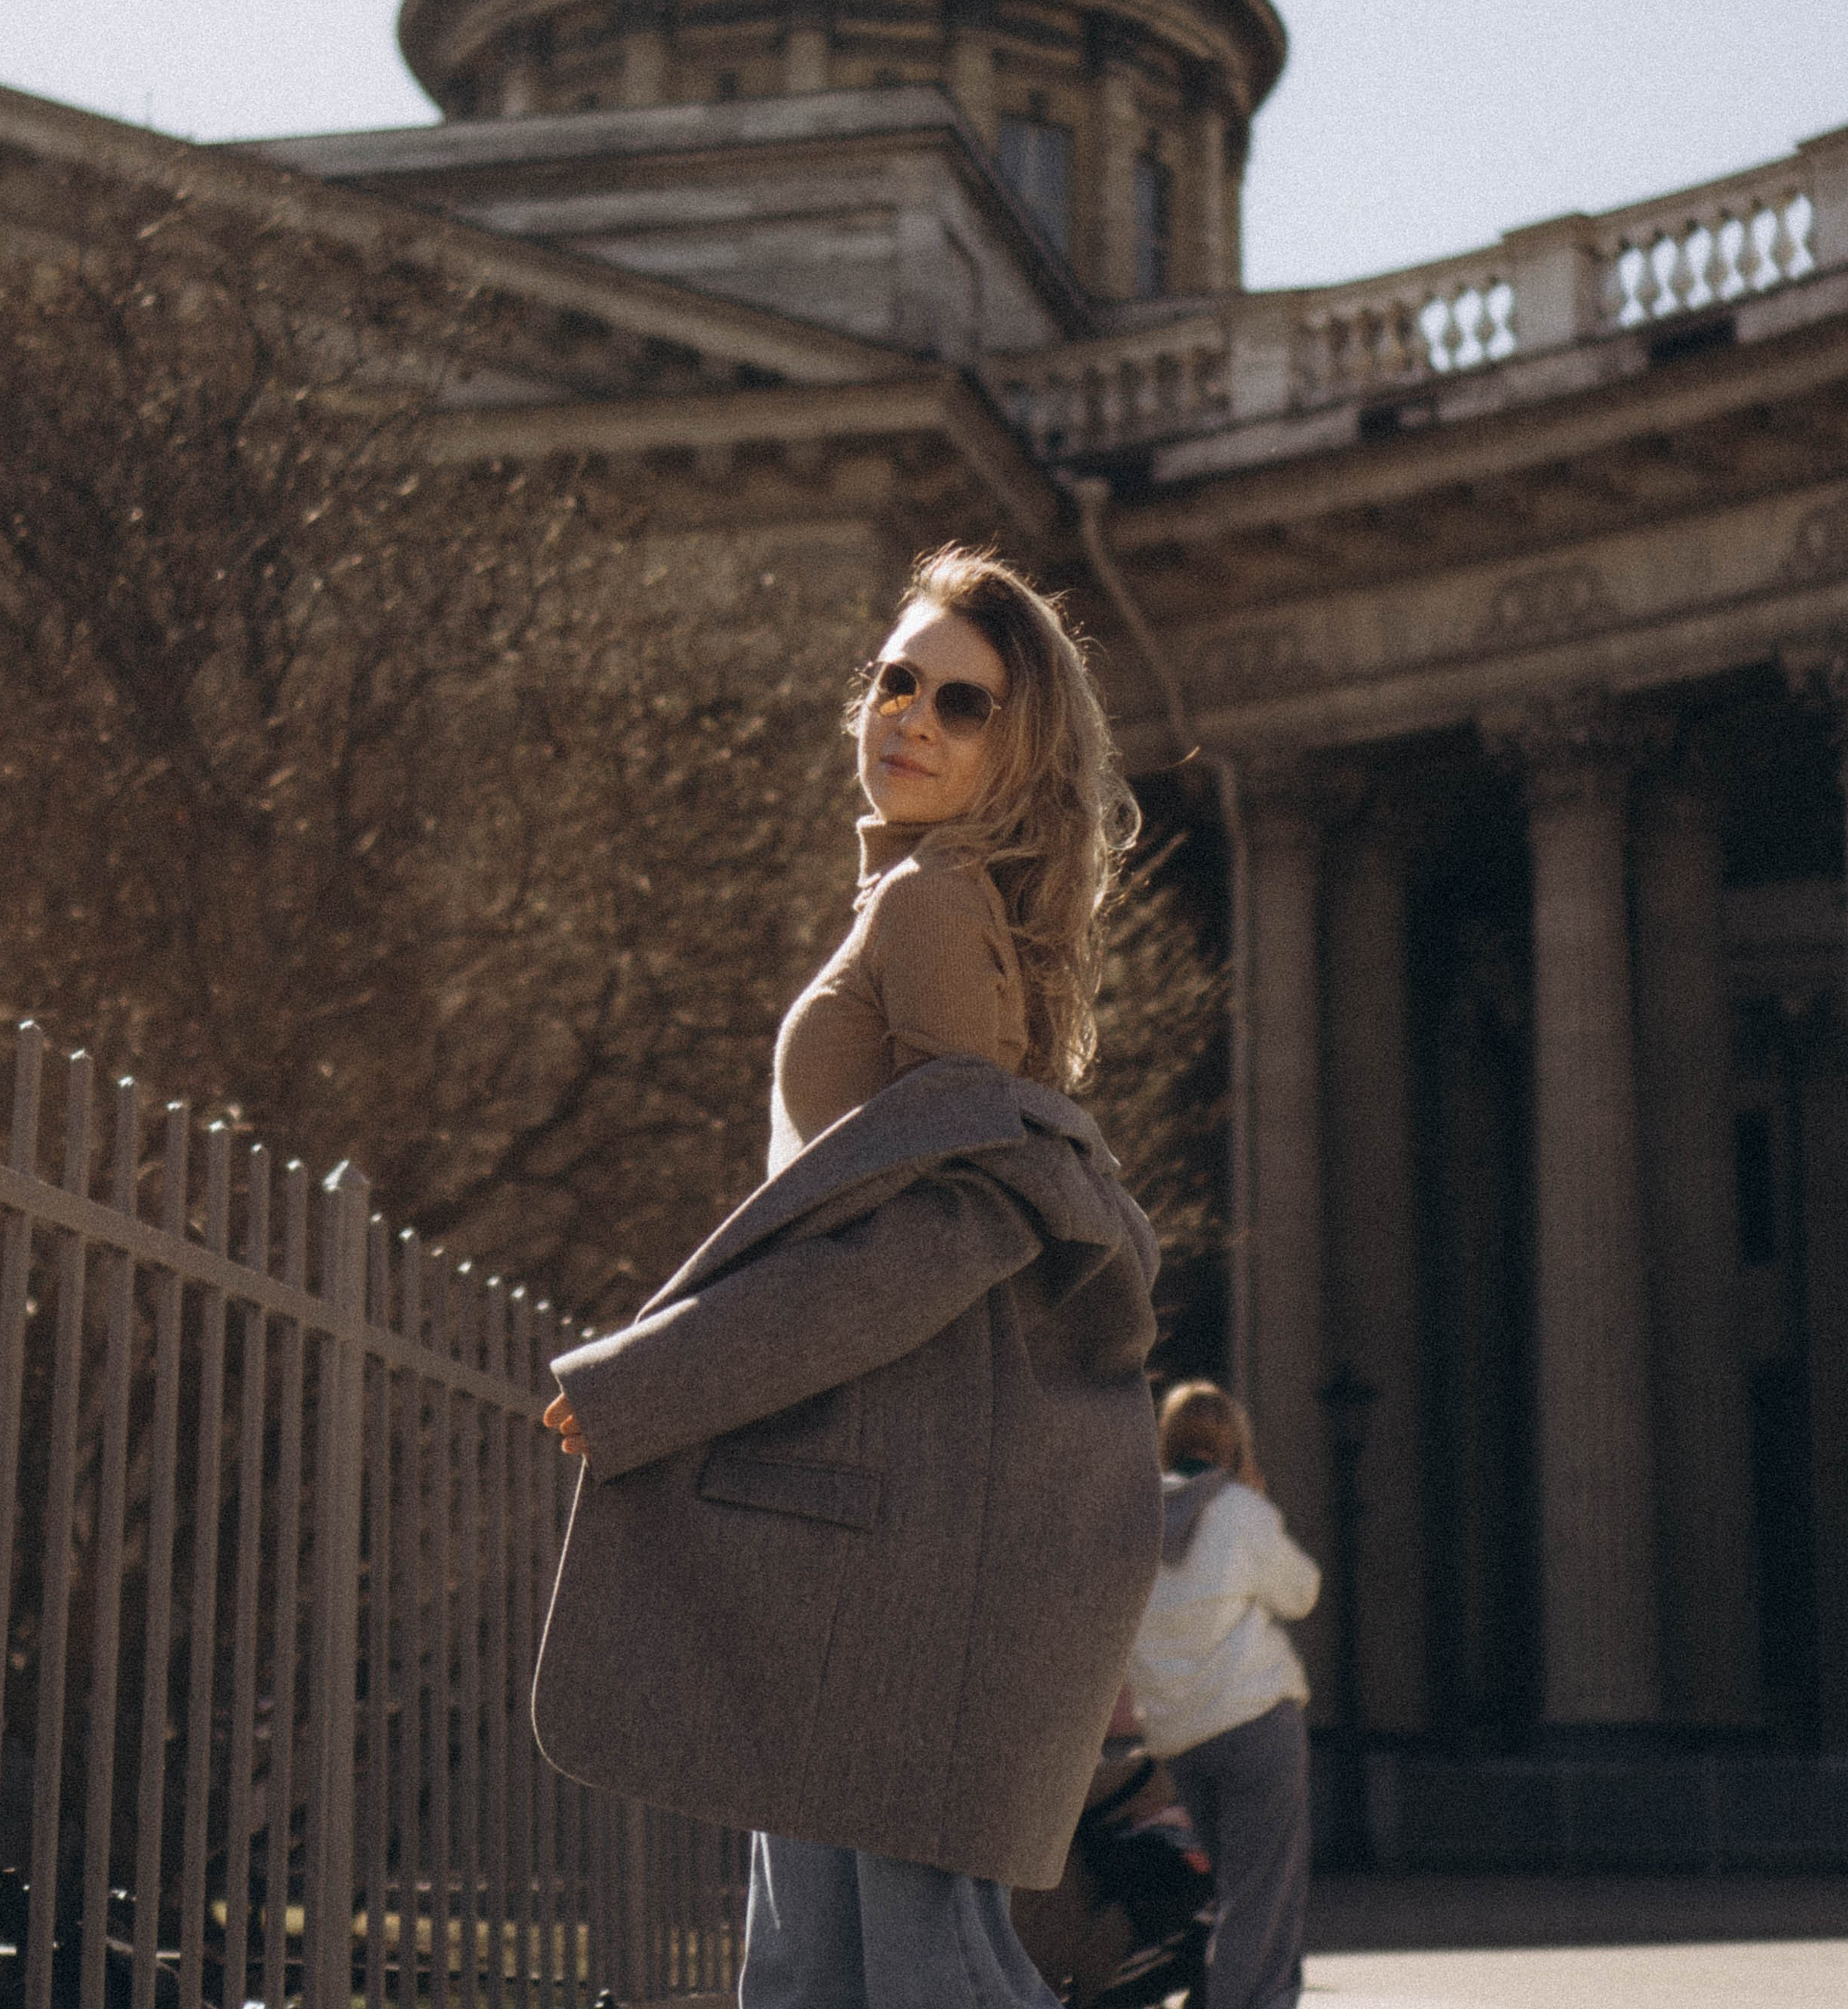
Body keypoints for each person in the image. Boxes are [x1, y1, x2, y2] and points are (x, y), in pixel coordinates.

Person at [534, 544, 1163, 2009]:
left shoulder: (933, 911)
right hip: (869, 1522)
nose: (910, 719)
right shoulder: (931, 905)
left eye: (961, 703)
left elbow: (955, 1226)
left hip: (904, 1537)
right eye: (896, 681)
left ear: (1019, 754)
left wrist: (664, 1377)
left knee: (912, 1966)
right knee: (820, 1965)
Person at [1125, 1381, 1321, 2009]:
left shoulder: (1136, 1516)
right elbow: (1302, 1592)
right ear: (1235, 1444)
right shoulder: (1238, 1510)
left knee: (1233, 1891)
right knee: (1263, 1899)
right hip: (1256, 1724)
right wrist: (1258, 1498)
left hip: (1182, 1736)